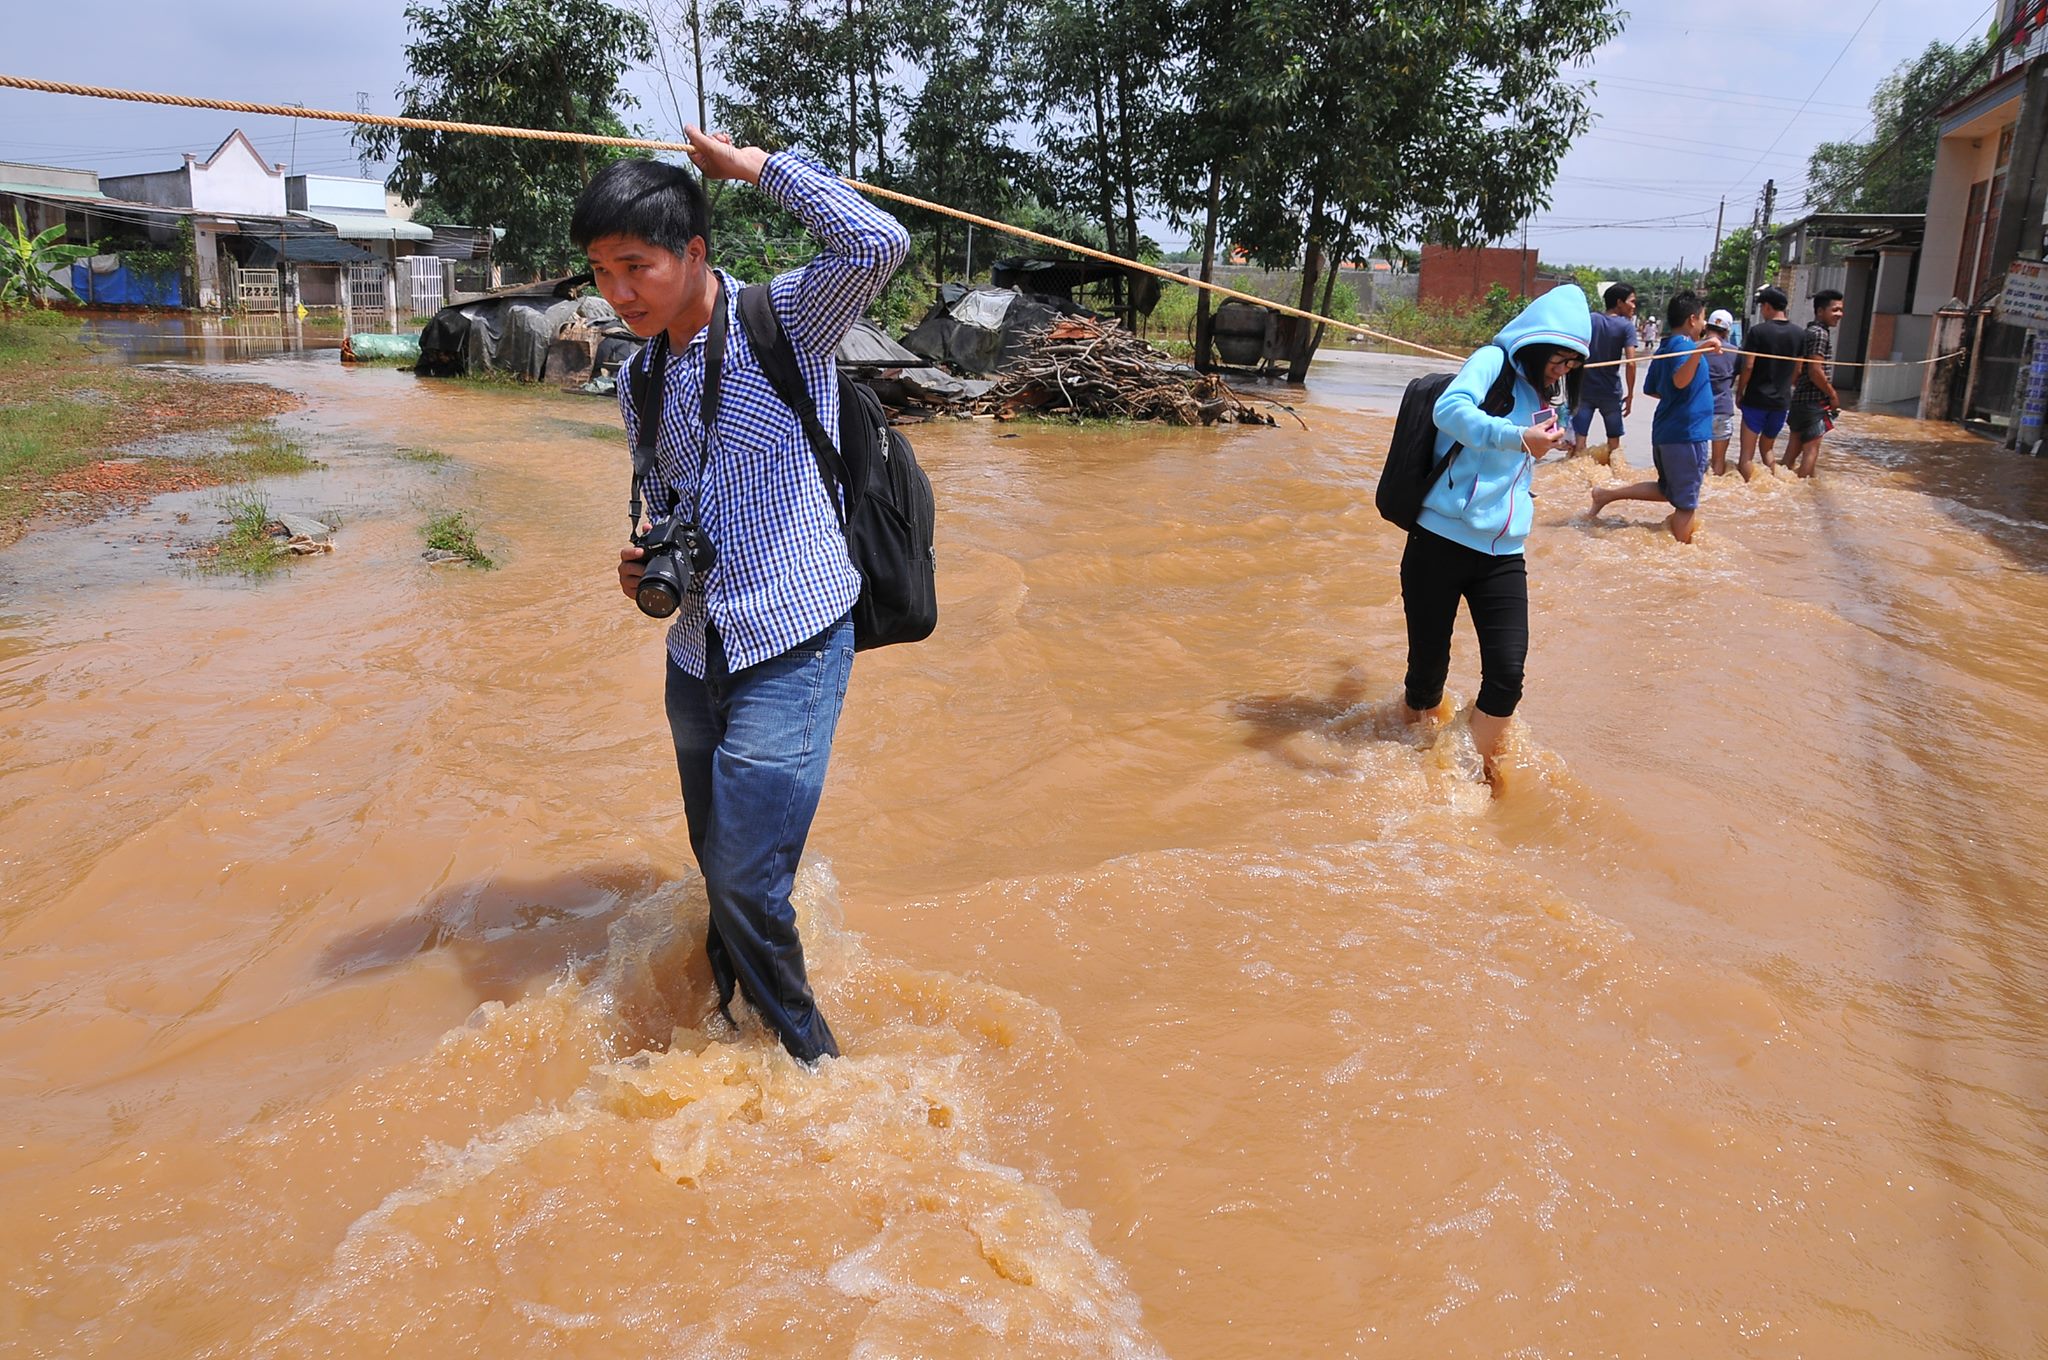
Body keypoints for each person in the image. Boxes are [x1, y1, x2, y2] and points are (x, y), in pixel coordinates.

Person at [572, 131, 909, 1064]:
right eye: (601, 273)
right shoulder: (637, 376)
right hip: (695, 651)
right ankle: (728, 1026)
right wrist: (646, 564)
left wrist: (756, 168)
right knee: (722, 871)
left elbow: (878, 244)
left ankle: (814, 1067)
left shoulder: (785, 323)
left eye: (635, 267)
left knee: (748, 882)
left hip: (794, 640)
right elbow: (676, 499)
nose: (619, 293)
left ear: (693, 254)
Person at [1401, 284, 1590, 789]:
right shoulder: (1492, 361)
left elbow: (1535, 451)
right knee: (1426, 678)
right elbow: (1450, 411)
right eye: (1559, 359)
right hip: (1438, 541)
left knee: (1507, 676)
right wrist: (1515, 437)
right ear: (1536, 345)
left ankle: (1467, 779)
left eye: (1573, 363)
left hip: (1504, 553)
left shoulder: (1550, 391)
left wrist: (1545, 441)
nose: (1563, 370)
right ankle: (1414, 761)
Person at [1590, 291, 1718, 543]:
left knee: (1668, 490)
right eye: (1703, 319)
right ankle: (1683, 561)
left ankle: (1604, 494)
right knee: (1686, 506)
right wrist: (1699, 351)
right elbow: (1680, 381)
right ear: (1692, 319)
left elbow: (1653, 389)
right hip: (1686, 434)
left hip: (1667, 432)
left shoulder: (1667, 345)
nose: (1704, 325)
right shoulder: (1684, 345)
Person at [1735, 285, 1802, 480]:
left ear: (1766, 307)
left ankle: (1748, 496)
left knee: (1746, 455)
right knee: (1768, 451)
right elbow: (1798, 370)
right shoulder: (1799, 334)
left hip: (1756, 399)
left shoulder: (1757, 332)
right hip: (1781, 402)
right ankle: (1775, 488)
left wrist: (1740, 391)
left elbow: (1748, 366)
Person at [1571, 282, 1637, 465]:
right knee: (1614, 445)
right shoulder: (1626, 326)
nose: (1634, 306)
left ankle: (1576, 480)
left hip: (1584, 390)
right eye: (1631, 301)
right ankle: (1615, 481)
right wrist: (1630, 395)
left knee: (1579, 444)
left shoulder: (1590, 319)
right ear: (1619, 302)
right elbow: (1631, 363)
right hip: (1610, 392)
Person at [1785, 288, 1845, 479]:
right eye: (1835, 310)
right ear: (1820, 311)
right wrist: (1832, 395)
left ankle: (1781, 493)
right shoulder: (1820, 334)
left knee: (1791, 453)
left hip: (1800, 400)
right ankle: (1801, 496)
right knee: (1811, 450)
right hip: (1814, 401)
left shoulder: (1808, 332)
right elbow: (1815, 370)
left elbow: (1798, 369)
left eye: (1841, 310)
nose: (1840, 315)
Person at [1703, 308, 1741, 475]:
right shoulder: (1735, 352)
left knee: (1697, 460)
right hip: (1723, 410)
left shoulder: (1694, 349)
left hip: (1699, 411)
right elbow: (1734, 378)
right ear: (1727, 331)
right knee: (1719, 461)